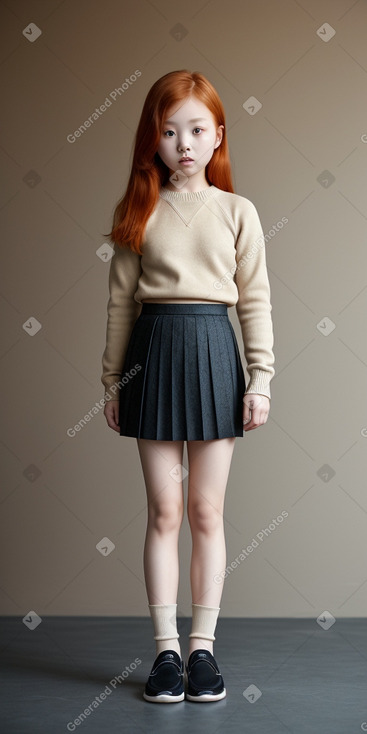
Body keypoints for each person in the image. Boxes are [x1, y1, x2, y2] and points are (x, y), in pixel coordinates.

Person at [101, 69, 275, 703]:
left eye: (197, 130)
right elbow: (121, 305)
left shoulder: (238, 211)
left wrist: (260, 379)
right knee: (164, 511)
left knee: (205, 510)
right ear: (154, 138)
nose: (184, 143)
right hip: (153, 354)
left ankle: (203, 650)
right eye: (169, 131)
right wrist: (113, 383)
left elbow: (254, 300)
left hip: (214, 355)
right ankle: (165, 654)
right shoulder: (137, 211)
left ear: (218, 135)